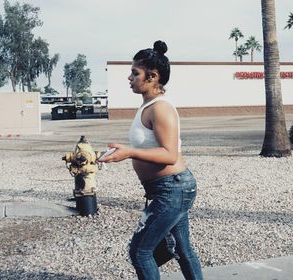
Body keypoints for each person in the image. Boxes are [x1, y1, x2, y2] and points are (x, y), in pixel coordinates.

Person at [99, 40, 204, 280]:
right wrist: (124, 150)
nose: (129, 77)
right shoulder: (147, 106)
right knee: (181, 249)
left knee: (140, 252)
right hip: (168, 188)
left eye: (135, 73)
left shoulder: (160, 108)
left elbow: (169, 155)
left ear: (153, 76)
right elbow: (150, 146)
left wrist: (129, 152)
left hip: (173, 188)